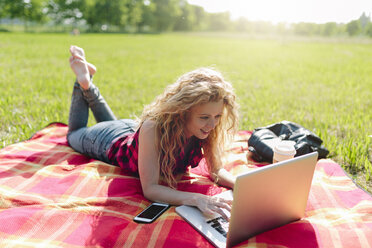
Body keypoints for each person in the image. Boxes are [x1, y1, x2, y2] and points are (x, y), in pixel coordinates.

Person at [67, 45, 239, 219]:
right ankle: (81, 81)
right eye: (204, 117)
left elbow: (216, 170)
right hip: (106, 140)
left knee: (112, 122)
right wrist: (196, 199)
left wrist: (240, 185)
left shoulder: (205, 129)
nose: (212, 124)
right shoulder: (153, 128)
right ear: (182, 111)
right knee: (74, 133)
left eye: (217, 116)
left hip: (130, 130)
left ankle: (88, 83)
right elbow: (150, 189)